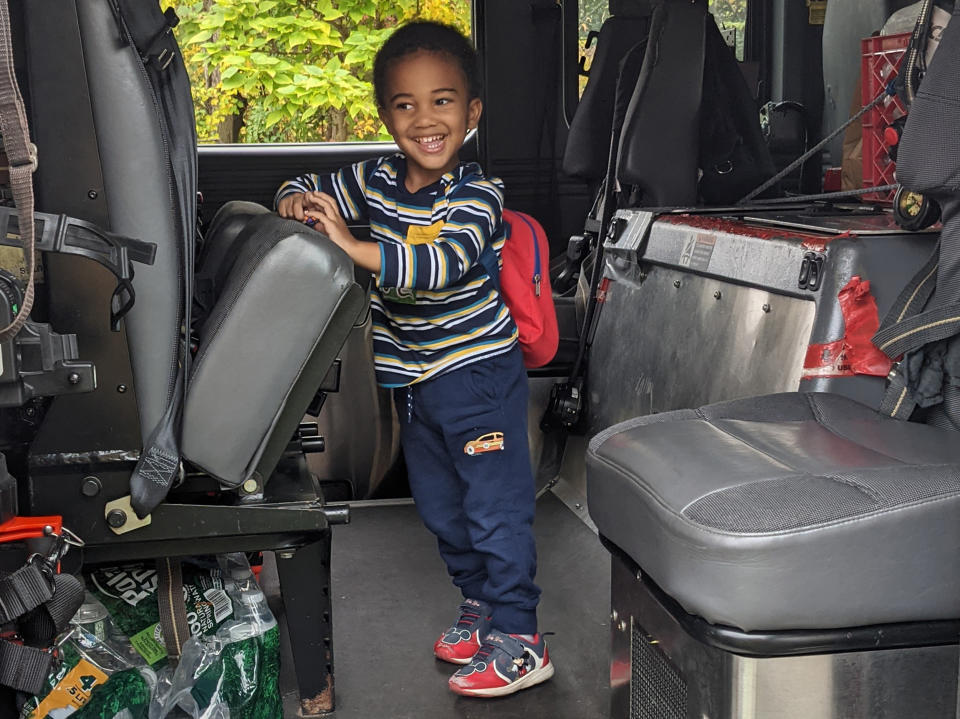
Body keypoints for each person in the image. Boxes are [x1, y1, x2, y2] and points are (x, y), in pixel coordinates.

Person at [274, 21, 553, 698]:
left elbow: (437, 264)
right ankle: (479, 605)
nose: (426, 120)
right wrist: (293, 197)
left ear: (472, 112)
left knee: (495, 508)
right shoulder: (374, 180)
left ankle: (521, 639)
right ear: (386, 115)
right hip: (418, 384)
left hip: (480, 377)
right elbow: (308, 182)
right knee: (440, 508)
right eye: (406, 104)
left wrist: (350, 247)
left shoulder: (476, 194)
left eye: (443, 101)